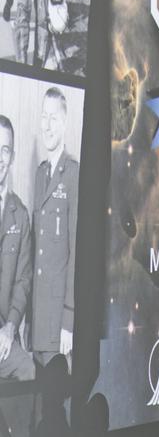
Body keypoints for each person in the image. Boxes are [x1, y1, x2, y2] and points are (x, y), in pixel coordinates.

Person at [30, 87, 78, 367]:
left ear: (64, 123)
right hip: (38, 319)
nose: (47, 126)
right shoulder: (40, 175)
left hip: (58, 324)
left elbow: (75, 254)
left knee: (55, 388)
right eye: (43, 117)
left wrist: (68, 321)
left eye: (53, 118)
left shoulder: (73, 174)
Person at [0, 115, 34, 382]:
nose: (0, 158)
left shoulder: (20, 215)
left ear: (12, 157)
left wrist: (10, 327)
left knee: (29, 370)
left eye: (5, 150)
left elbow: (23, 280)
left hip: (4, 334)